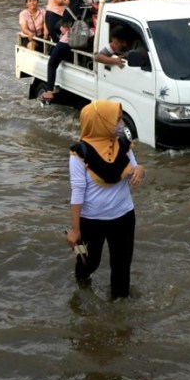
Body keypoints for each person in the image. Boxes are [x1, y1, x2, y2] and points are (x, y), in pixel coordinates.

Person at [65, 100, 145, 298]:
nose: (122, 124)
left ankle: (120, 316)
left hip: (124, 216)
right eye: (117, 119)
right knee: (90, 263)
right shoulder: (79, 154)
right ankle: (81, 288)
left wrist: (141, 171)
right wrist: (75, 230)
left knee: (122, 266)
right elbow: (77, 192)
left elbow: (134, 169)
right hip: (92, 221)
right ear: (101, 122)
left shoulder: (123, 144)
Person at [39, 0, 84, 103]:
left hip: (69, 40)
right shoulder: (85, 8)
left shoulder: (69, 11)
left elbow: (64, 29)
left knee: (52, 63)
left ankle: (49, 91)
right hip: (84, 38)